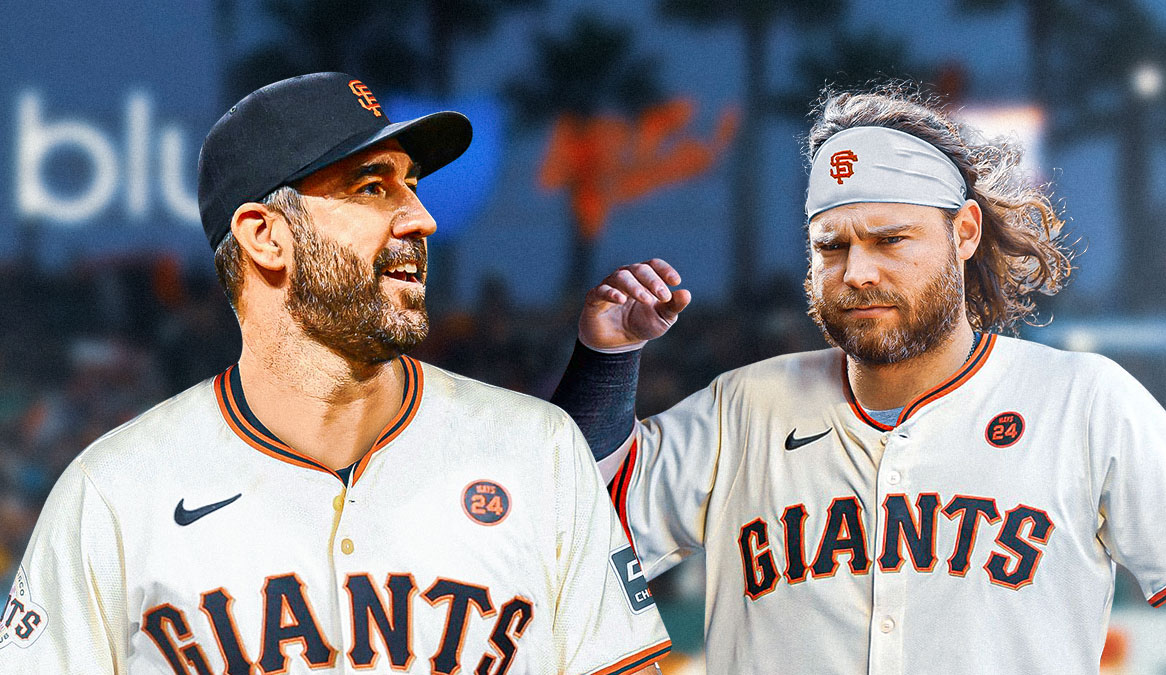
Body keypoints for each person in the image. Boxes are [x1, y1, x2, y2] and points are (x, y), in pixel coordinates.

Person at [0, 72, 669, 675]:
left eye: (411, 182)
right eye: (373, 186)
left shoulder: (539, 451)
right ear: (266, 236)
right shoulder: (114, 492)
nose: (422, 216)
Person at [551, 83, 1166, 672]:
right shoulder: (741, 408)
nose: (856, 271)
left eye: (890, 240)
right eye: (832, 246)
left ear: (964, 232)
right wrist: (605, 357)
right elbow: (567, 530)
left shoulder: (1083, 402)